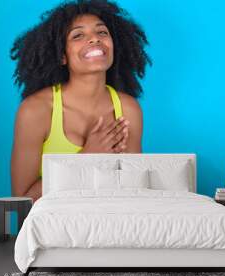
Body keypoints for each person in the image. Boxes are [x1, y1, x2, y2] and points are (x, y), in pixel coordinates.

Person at [10, 0, 151, 202]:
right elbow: (21, 200)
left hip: (112, 225)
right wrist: (86, 158)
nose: (94, 39)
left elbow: (131, 191)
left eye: (102, 32)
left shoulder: (128, 109)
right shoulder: (36, 111)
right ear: (62, 56)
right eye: (78, 35)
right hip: (54, 230)